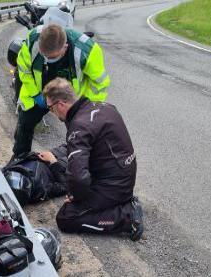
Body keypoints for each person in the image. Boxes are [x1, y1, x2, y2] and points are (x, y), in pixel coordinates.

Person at [39, 78, 144, 241]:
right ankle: (121, 203)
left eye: (50, 108)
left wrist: (74, 196)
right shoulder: (104, 107)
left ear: (60, 104)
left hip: (115, 186)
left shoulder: (79, 127)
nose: (52, 112)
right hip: (124, 175)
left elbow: (79, 179)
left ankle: (126, 217)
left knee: (66, 218)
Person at [13, 23, 110, 157]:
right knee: (25, 124)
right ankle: (19, 157)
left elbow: (100, 84)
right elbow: (23, 69)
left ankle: (75, 163)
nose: (47, 59)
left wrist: (85, 109)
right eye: (44, 55)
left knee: (78, 135)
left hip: (70, 99)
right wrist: (35, 94)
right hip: (38, 93)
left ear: (65, 47)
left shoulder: (87, 51)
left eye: (52, 57)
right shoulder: (33, 40)